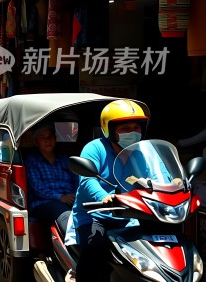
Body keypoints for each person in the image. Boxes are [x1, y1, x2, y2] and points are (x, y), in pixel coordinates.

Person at [64, 99, 149, 282]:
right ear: (109, 129)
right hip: (95, 215)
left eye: (136, 127)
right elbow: (87, 180)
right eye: (125, 128)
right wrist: (104, 197)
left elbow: (158, 176)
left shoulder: (141, 152)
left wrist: (175, 184)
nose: (133, 132)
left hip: (131, 215)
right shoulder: (95, 148)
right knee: (95, 247)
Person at [24, 122, 78, 228]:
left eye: (50, 136)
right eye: (42, 137)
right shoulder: (32, 161)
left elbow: (77, 180)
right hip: (44, 203)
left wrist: (75, 195)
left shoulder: (65, 159)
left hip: (69, 199)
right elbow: (37, 188)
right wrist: (60, 197)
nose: (47, 140)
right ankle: (73, 237)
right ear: (36, 142)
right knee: (65, 214)